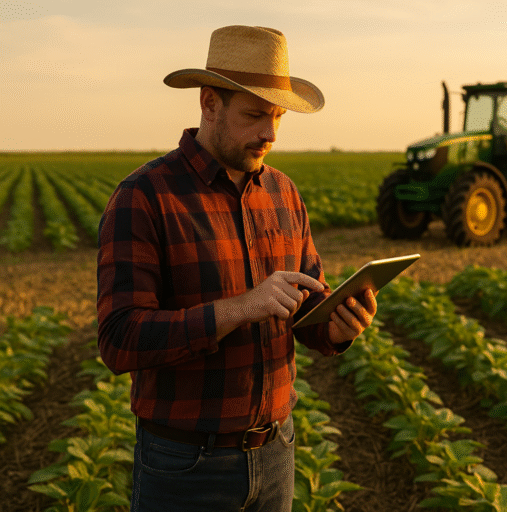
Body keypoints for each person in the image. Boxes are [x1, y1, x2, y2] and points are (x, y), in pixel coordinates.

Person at [96, 25, 377, 512]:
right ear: (209, 104)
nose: (270, 133)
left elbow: (306, 307)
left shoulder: (284, 193)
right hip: (185, 464)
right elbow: (120, 339)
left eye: (278, 117)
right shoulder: (144, 196)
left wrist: (335, 326)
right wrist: (241, 308)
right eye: (254, 115)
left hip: (277, 450)